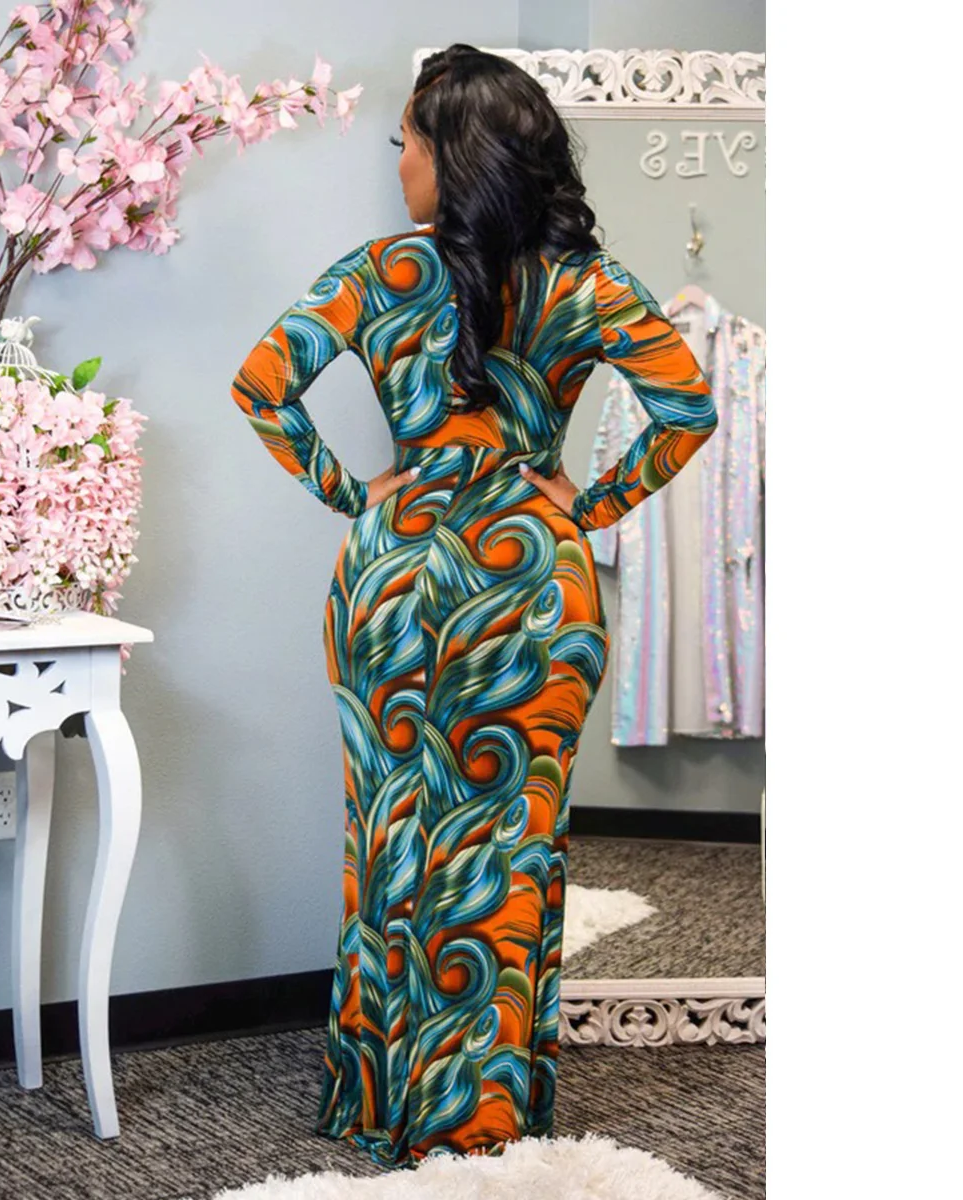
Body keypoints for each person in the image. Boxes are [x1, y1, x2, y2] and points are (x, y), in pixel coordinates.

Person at [229, 43, 718, 1169]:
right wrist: (590, 502)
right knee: (511, 844)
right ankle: (491, 1113)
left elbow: (263, 386)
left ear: (452, 154)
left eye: (404, 139)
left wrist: (354, 491)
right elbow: (686, 409)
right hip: (536, 585)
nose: (396, 159)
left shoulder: (379, 272)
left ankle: (381, 1099)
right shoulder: (588, 283)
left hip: (399, 582)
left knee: (392, 835)